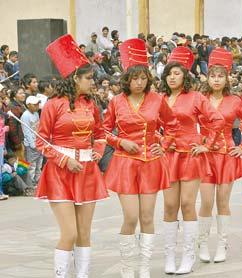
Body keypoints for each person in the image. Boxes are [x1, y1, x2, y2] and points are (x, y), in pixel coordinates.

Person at [103, 38, 178, 278]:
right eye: (134, 78)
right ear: (126, 79)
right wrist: (119, 141)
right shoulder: (116, 102)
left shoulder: (157, 100)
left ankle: (144, 268)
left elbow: (173, 125)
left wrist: (164, 145)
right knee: (131, 217)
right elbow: (102, 131)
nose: (139, 82)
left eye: (143, 78)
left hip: (150, 163)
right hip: (125, 162)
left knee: (147, 216)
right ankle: (127, 268)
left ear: (148, 78)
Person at [36, 34, 108, 277]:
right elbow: (41, 141)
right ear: (75, 77)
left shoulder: (91, 104)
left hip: (87, 170)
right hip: (60, 172)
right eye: (88, 78)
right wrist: (65, 160)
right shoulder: (53, 104)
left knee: (85, 234)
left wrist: (97, 153)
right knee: (70, 233)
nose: (92, 83)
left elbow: (100, 134)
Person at [160, 46, 224, 275]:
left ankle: (188, 256)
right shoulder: (160, 99)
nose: (172, 77)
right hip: (168, 155)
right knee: (169, 206)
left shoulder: (195, 97)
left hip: (191, 154)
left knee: (187, 204)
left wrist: (206, 144)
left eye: (177, 73)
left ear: (185, 76)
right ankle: (169, 256)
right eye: (169, 73)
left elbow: (217, 120)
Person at [197, 48, 242, 263]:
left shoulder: (235, 101)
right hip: (204, 155)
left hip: (226, 154)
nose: (216, 80)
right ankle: (202, 243)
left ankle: (222, 244)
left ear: (227, 78)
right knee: (205, 202)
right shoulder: (199, 98)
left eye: (220, 76)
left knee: (223, 201)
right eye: (212, 75)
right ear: (207, 77)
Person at [21, 96, 42, 188]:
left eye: (38, 104)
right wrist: (32, 144)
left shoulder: (36, 113)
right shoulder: (25, 115)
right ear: (29, 105)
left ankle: (38, 181)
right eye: (35, 104)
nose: (37, 106)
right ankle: (31, 183)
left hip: (38, 142)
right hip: (30, 145)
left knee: (39, 163)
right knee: (31, 165)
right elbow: (26, 131)